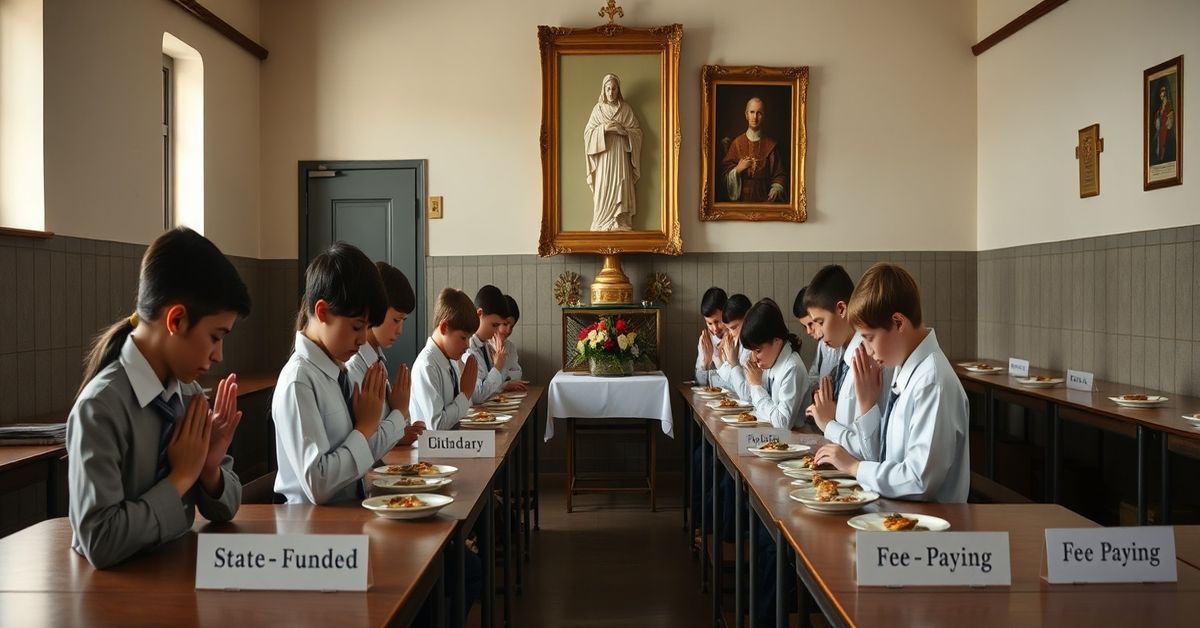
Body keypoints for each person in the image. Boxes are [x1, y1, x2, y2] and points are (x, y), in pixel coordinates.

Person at [68, 227, 250, 568]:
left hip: (176, 578)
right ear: (176, 319)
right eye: (215, 337)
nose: (219, 356)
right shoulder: (100, 408)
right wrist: (182, 476)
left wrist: (209, 468)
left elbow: (226, 509)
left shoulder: (189, 394)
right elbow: (100, 541)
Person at [814, 263, 970, 503]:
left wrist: (855, 467)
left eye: (868, 338)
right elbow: (885, 456)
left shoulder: (932, 382)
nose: (866, 349)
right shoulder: (903, 368)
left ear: (898, 323)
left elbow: (919, 480)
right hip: (898, 512)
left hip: (928, 527)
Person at [273, 243, 407, 505]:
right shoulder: (299, 380)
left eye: (367, 327)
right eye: (357, 326)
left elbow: (360, 452)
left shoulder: (338, 371)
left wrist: (389, 419)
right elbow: (318, 484)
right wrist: (365, 427)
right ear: (322, 312)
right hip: (315, 532)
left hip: (351, 515)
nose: (361, 340)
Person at [803, 265, 892, 460]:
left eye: (820, 322)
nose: (818, 332)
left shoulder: (867, 359)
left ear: (842, 309)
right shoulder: (846, 356)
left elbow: (870, 450)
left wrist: (828, 423)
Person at [346, 262, 422, 447]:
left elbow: (379, 429)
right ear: (375, 310)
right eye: (396, 320)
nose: (400, 330)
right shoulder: (353, 366)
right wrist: (399, 413)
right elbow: (365, 442)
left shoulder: (376, 359)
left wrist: (398, 434)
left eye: (403, 321)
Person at [411, 288, 479, 430]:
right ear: (444, 327)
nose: (467, 345)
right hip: (429, 450)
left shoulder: (450, 361)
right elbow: (437, 425)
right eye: (463, 337)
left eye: (469, 338)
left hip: (449, 447)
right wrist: (465, 394)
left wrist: (466, 396)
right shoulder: (427, 365)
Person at [738, 299, 810, 430]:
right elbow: (753, 404)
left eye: (758, 350)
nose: (754, 358)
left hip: (795, 441)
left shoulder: (792, 367)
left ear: (777, 340)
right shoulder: (770, 360)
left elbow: (782, 423)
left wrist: (756, 386)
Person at [585, 73, 643, 231]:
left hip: (620, 155)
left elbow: (637, 132)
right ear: (603, 90)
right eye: (608, 88)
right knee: (603, 186)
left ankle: (619, 220)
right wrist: (605, 128)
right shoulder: (598, 110)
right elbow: (588, 134)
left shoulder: (625, 109)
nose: (611, 92)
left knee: (621, 183)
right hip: (604, 157)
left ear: (618, 90)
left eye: (614, 89)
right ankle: (602, 220)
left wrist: (625, 133)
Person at [464, 285, 525, 404]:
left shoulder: (485, 345)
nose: (496, 331)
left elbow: (490, 387)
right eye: (494, 325)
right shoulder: (467, 348)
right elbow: (478, 395)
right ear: (479, 314)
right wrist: (497, 367)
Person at [721, 97, 786, 203]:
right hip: (741, 202)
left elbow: (780, 175)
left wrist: (776, 188)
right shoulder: (736, 143)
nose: (755, 117)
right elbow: (723, 177)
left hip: (764, 200)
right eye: (752, 112)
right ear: (746, 115)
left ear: (763, 116)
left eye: (759, 113)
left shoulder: (771, 145)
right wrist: (737, 169)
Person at [713, 293, 754, 400]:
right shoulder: (738, 344)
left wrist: (733, 363)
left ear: (748, 317)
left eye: (734, 327)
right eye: (729, 328)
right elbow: (729, 383)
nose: (731, 333)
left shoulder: (756, 346)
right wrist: (721, 359)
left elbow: (747, 395)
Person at [695, 287, 728, 386]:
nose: (715, 328)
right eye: (709, 323)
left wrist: (716, 357)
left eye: (718, 322)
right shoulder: (705, 340)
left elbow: (732, 383)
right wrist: (706, 362)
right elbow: (700, 383)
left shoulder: (736, 338)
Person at [496, 294, 524, 383]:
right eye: (505, 324)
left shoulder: (510, 346)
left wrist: (503, 379)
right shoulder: (483, 346)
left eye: (511, 326)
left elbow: (518, 374)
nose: (508, 330)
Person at [1153, 83, 1177, 165]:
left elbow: (1170, 120)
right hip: (1161, 131)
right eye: (1160, 92)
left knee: (1165, 146)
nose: (1161, 94)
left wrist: (1168, 120)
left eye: (1163, 91)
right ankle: (1160, 158)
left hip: (1166, 131)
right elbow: (1157, 119)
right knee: (1159, 145)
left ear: (1166, 93)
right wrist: (1157, 119)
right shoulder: (1160, 108)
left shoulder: (1168, 105)